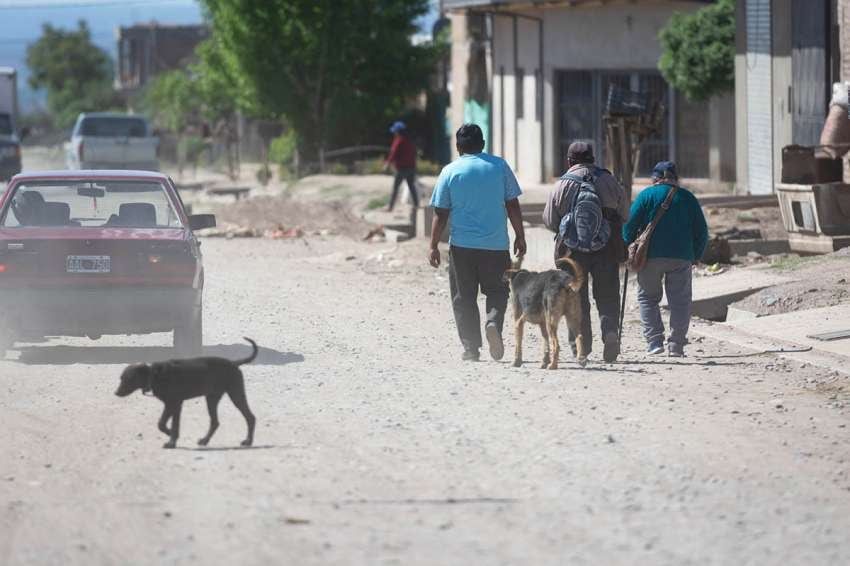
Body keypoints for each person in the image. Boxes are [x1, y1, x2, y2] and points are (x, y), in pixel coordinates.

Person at [428, 123, 527, 362]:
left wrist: (432, 245)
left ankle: (471, 348)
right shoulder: (499, 166)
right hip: (496, 246)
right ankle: (493, 321)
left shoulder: (450, 171)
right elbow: (512, 204)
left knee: (464, 296)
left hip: (462, 247)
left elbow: (441, 213)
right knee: (497, 291)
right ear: (482, 144)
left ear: (458, 146)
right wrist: (520, 235)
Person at [542, 141, 629, 363]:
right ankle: (610, 332)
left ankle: (581, 346)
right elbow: (624, 213)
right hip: (606, 247)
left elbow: (550, 220)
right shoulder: (608, 180)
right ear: (592, 158)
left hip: (572, 252)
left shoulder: (562, 184)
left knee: (575, 299)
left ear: (569, 160)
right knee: (608, 294)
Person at [622, 161, 708, 357]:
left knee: (647, 298)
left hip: (649, 256)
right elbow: (702, 231)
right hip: (682, 257)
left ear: (655, 178)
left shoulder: (646, 196)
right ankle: (676, 345)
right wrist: (696, 255)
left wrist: (626, 248)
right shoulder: (688, 198)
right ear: (675, 178)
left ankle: (654, 342)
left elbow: (628, 226)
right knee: (680, 302)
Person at [383, 121, 419, 211]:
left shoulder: (398, 140)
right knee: (411, 186)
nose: (394, 133)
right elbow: (414, 154)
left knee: (395, 188)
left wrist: (387, 164)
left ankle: (390, 207)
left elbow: (393, 154)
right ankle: (416, 205)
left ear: (398, 132)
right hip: (411, 168)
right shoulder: (410, 140)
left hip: (401, 169)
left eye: (395, 131)